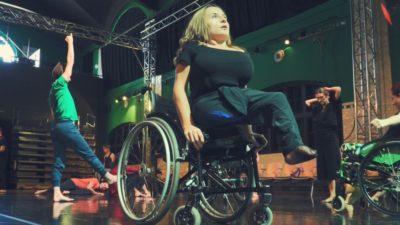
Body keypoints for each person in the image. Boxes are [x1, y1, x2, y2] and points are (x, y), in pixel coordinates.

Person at [172, 4, 316, 165]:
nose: (223, 19)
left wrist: (249, 132)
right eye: (215, 16)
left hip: (238, 100)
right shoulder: (193, 48)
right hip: (210, 104)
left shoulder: (240, 52)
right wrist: (188, 125)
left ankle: (292, 149)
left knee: (277, 98)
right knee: (230, 111)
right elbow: (179, 88)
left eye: (224, 16)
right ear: (201, 24)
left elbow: (242, 92)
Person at [48, 34, 116, 202]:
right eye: (66, 72)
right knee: (88, 153)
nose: (69, 74)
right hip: (65, 126)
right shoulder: (60, 84)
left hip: (56, 127)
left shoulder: (52, 92)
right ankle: (107, 176)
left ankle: (57, 192)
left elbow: (52, 113)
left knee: (59, 160)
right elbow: (70, 61)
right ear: (61, 74)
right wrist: (70, 42)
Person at [305, 86, 342, 203]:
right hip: (320, 141)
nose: (319, 100)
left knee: (332, 167)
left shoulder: (333, 105)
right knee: (325, 168)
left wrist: (328, 89)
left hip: (331, 139)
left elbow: (339, 89)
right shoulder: (317, 109)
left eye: (321, 97)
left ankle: (335, 194)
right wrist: (319, 99)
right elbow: (307, 102)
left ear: (327, 96)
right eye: (317, 98)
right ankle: (331, 194)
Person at [34, 177, 109, 196]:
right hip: (73, 182)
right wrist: (96, 193)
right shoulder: (96, 180)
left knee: (87, 192)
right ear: (103, 182)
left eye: (106, 188)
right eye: (105, 185)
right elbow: (88, 187)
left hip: (76, 187)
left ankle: (68, 192)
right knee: (58, 188)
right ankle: (43, 191)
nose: (104, 187)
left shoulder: (96, 188)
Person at [0, 127, 7, 193]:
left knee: (1, 172)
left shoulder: (3, 139)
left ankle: (3, 187)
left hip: (2, 159)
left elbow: (2, 148)